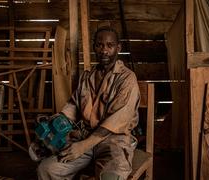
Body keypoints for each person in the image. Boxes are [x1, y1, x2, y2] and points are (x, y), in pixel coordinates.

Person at [37, 26, 140, 180]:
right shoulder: (87, 77)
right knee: (47, 169)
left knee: (110, 177)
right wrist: (56, 121)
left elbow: (117, 121)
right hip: (84, 137)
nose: (104, 50)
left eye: (110, 45)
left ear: (118, 48)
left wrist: (83, 146)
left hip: (114, 141)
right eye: (99, 45)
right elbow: (73, 105)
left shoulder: (127, 78)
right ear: (94, 47)